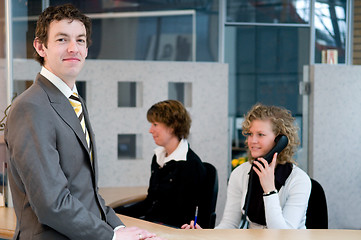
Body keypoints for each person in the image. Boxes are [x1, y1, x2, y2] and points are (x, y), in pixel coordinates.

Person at [4, 4, 161, 240]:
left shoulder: (73, 101)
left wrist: (118, 227)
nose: (73, 48)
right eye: (61, 39)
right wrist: (112, 237)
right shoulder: (31, 107)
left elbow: (86, 192)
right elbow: (52, 203)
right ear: (40, 46)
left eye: (80, 40)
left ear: (87, 48)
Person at [182, 103, 311, 229]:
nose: (252, 141)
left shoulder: (299, 180)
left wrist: (269, 191)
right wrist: (204, 236)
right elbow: (229, 224)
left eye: (260, 134)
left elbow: (283, 236)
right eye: (250, 134)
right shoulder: (240, 173)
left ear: (280, 141)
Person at [116, 100, 206, 228]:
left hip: (170, 230)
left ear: (173, 126)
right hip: (153, 224)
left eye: (155, 124)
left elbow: (182, 215)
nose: (150, 130)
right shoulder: (158, 157)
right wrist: (116, 214)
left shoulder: (190, 165)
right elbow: (151, 202)